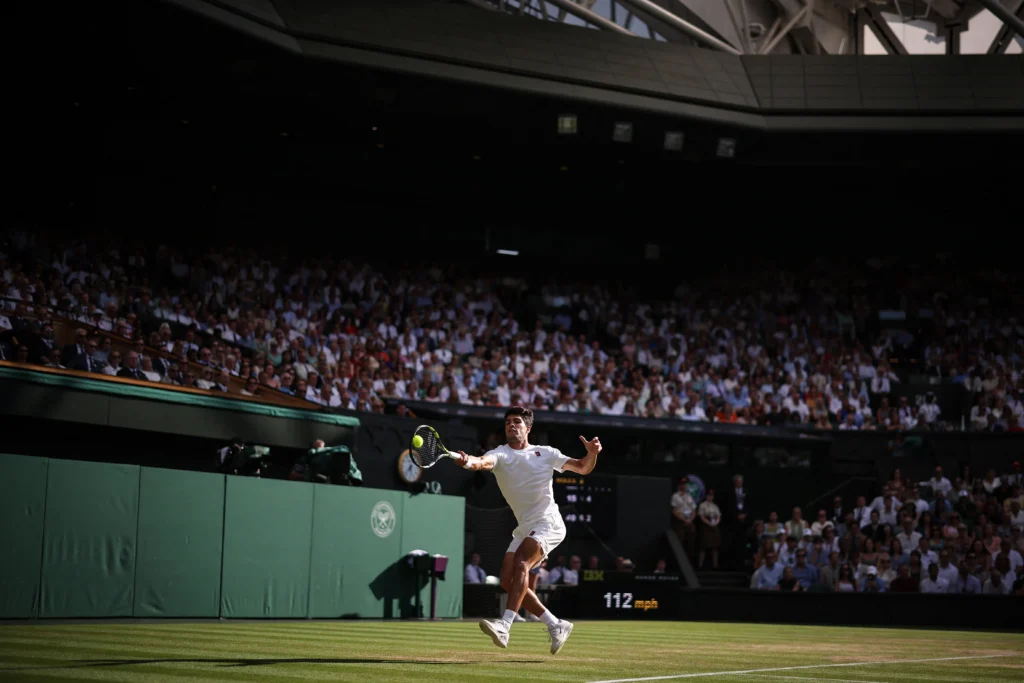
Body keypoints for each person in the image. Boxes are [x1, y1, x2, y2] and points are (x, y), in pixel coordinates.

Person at [452, 405, 602, 655]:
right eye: (508, 422)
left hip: (548, 523)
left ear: (528, 428)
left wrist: (592, 454)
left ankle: (505, 626)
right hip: (525, 527)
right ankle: (556, 624)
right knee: (507, 581)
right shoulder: (500, 454)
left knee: (522, 563)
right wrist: (468, 461)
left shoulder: (546, 453)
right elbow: (481, 462)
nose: (511, 425)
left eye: (517, 421)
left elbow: (583, 467)